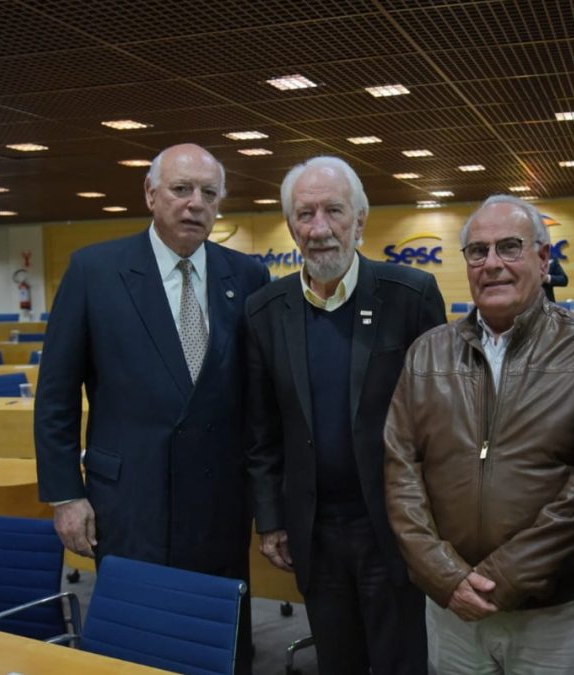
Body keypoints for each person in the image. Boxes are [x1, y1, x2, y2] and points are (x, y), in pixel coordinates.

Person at [35, 143, 269, 673]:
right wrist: (65, 495)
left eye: (209, 193)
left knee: (219, 642)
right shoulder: (95, 271)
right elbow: (56, 395)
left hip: (219, 502)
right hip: (128, 501)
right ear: (150, 194)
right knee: (138, 641)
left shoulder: (247, 276)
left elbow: (259, 400)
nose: (195, 204)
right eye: (181, 189)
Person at [384, 194, 574, 675]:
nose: (492, 264)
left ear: (543, 259)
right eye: (478, 251)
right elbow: (401, 471)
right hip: (453, 611)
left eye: (510, 247)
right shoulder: (427, 354)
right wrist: (445, 578)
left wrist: (501, 578)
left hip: (555, 616)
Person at [245, 156, 445, 675]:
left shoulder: (411, 295)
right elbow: (262, 429)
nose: (320, 229)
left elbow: (441, 421)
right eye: (305, 214)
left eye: (333, 211)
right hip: (313, 531)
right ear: (291, 226)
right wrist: (270, 519)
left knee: (404, 660)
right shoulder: (266, 309)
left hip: (394, 526)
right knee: (337, 662)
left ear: (360, 220)